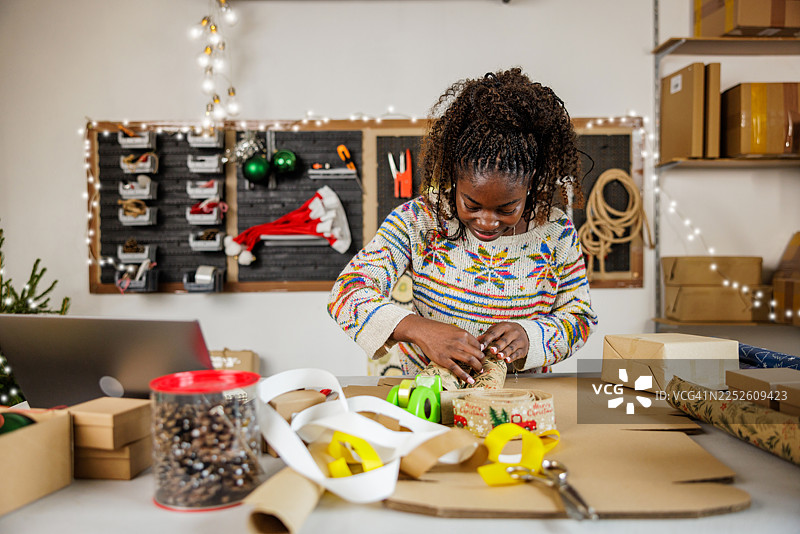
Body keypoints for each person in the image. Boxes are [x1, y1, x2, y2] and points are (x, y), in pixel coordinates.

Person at [327, 68, 597, 389]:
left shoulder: (556, 232)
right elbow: (346, 293)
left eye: (506, 208)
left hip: (520, 402)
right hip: (429, 404)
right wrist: (419, 328)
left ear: (531, 181)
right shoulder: (420, 220)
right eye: (472, 204)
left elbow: (580, 318)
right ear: (455, 176)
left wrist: (531, 336)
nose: (486, 221)